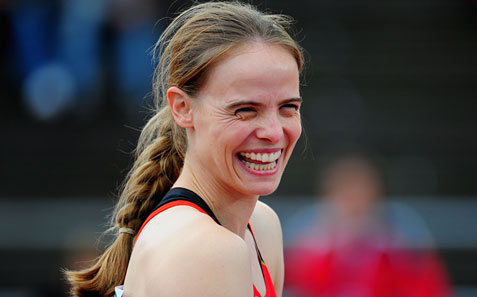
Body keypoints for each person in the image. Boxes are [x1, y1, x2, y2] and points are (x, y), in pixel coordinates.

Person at [64, 1, 304, 297]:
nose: (273, 132)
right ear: (182, 108)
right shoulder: (206, 251)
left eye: (288, 107)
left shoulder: (261, 226)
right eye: (244, 110)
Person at [284, 154, 453, 297]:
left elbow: (429, 289)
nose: (353, 206)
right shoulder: (308, 247)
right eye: (345, 196)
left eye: (360, 195)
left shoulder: (401, 246)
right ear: (328, 199)